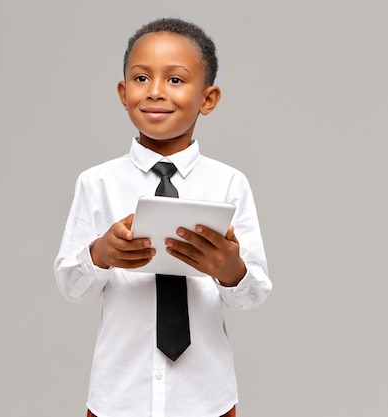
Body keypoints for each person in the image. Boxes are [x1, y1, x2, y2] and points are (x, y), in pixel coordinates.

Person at [54, 17, 272, 417]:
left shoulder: (229, 183)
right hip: (119, 397)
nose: (155, 92)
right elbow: (71, 286)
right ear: (122, 93)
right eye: (140, 78)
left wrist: (229, 268)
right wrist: (101, 253)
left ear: (208, 99)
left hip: (206, 399)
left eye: (175, 80)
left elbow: (253, 294)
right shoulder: (97, 182)